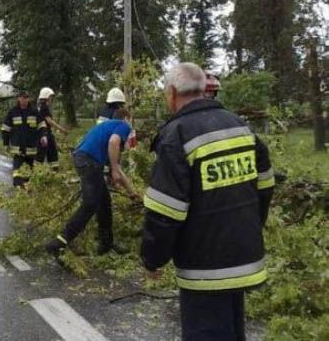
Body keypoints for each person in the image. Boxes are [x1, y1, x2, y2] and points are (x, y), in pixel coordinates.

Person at [140, 63, 274, 341]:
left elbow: (165, 210)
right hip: (243, 255)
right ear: (203, 89)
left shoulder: (176, 136)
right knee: (233, 331)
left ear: (173, 92)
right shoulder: (239, 125)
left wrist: (153, 259)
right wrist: (250, 227)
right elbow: (265, 184)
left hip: (204, 266)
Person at [45, 108, 137, 257]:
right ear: (126, 118)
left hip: (84, 159)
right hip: (89, 162)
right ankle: (60, 242)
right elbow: (114, 144)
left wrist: (132, 193)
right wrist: (113, 169)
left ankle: (106, 244)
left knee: (104, 202)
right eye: (130, 120)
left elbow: (118, 169)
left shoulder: (107, 127)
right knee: (90, 204)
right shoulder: (123, 125)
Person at [2, 90, 48, 187]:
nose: (25, 100)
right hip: (17, 149)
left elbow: (42, 124)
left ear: (29, 99)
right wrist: (6, 144)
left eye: (26, 98)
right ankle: (18, 188)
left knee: (28, 173)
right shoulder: (12, 112)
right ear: (18, 98)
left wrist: (43, 135)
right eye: (23, 98)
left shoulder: (34, 111)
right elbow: (5, 129)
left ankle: (26, 189)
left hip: (31, 149)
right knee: (17, 172)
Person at [36, 87, 67, 169]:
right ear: (46, 97)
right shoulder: (44, 107)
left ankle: (39, 170)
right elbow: (49, 121)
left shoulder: (40, 106)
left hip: (43, 133)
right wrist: (61, 129)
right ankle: (53, 170)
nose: (51, 99)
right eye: (50, 97)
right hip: (45, 134)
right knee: (51, 153)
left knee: (43, 154)